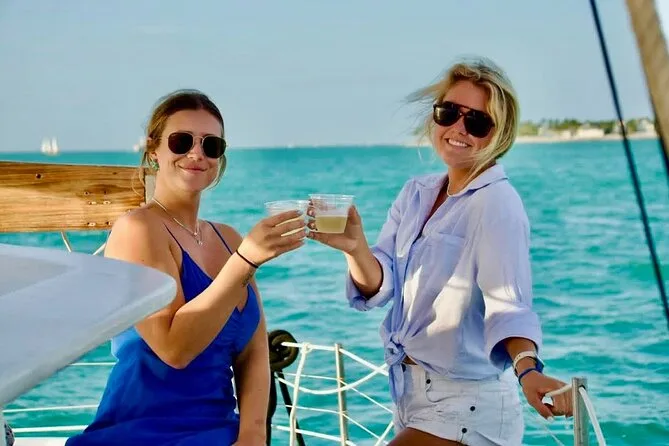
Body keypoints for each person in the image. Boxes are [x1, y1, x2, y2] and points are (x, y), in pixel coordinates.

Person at [307, 58, 573, 446]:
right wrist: (355, 248)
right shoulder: (416, 193)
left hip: (467, 406)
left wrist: (528, 369)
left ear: (499, 134)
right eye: (448, 112)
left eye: (477, 122)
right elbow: (382, 284)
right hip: (410, 397)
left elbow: (509, 304)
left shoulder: (496, 203)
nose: (458, 128)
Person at [66, 89, 306, 446]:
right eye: (181, 141)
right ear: (154, 149)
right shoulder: (138, 229)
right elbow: (174, 349)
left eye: (211, 145)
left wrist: (253, 435)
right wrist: (246, 261)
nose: (196, 153)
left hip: (221, 430)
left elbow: (254, 350)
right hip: (144, 433)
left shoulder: (228, 238)